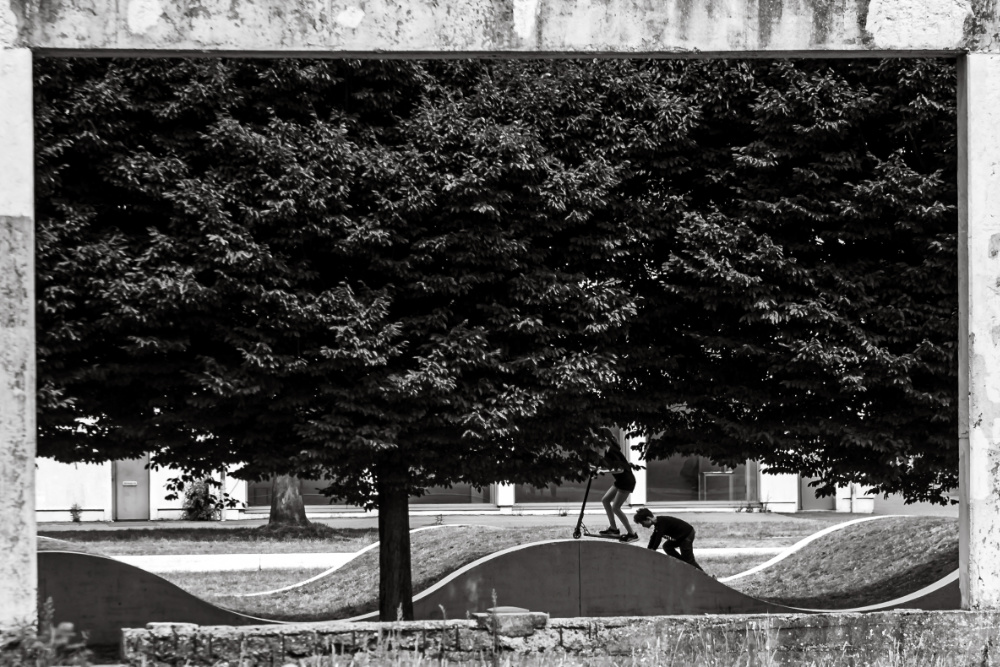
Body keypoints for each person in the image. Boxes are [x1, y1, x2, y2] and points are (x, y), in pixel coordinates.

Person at [594, 438, 639, 543]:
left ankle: (632, 534)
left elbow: (620, 469)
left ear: (604, 440)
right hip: (620, 481)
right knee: (605, 500)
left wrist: (603, 471)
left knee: (616, 507)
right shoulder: (607, 451)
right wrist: (596, 468)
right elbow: (609, 466)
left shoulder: (613, 451)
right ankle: (613, 529)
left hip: (626, 481)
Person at [633, 507, 704, 571]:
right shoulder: (658, 524)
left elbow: (658, 539)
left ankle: (705, 577)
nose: (643, 526)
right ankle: (682, 563)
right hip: (681, 536)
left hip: (686, 535)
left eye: (642, 523)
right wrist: (648, 550)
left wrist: (652, 551)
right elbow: (653, 537)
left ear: (648, 519)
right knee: (667, 546)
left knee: (689, 560)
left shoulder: (661, 523)